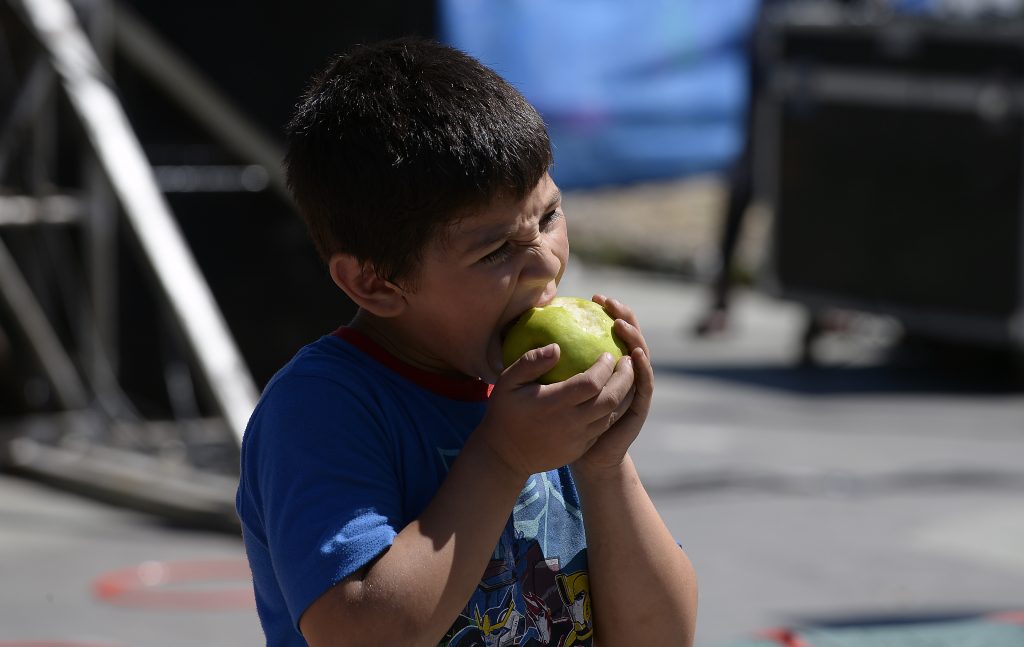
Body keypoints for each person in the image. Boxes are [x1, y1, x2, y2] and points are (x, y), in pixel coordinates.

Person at [235, 37, 698, 647]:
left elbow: (661, 636)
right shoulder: (322, 409)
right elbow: (364, 634)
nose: (545, 266)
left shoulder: (538, 400)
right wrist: (502, 458)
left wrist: (604, 466)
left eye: (550, 217)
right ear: (375, 282)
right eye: (495, 251)